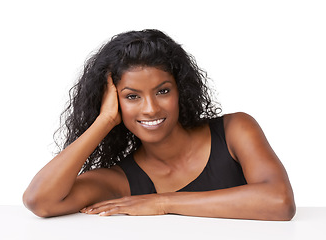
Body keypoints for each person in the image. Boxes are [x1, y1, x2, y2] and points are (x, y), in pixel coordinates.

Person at [23, 29, 296, 220]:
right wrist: (104, 121)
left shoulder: (235, 130)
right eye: (131, 96)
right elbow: (40, 201)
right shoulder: (121, 182)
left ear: (182, 91)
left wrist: (162, 202)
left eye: (163, 91)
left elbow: (279, 202)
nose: (151, 108)